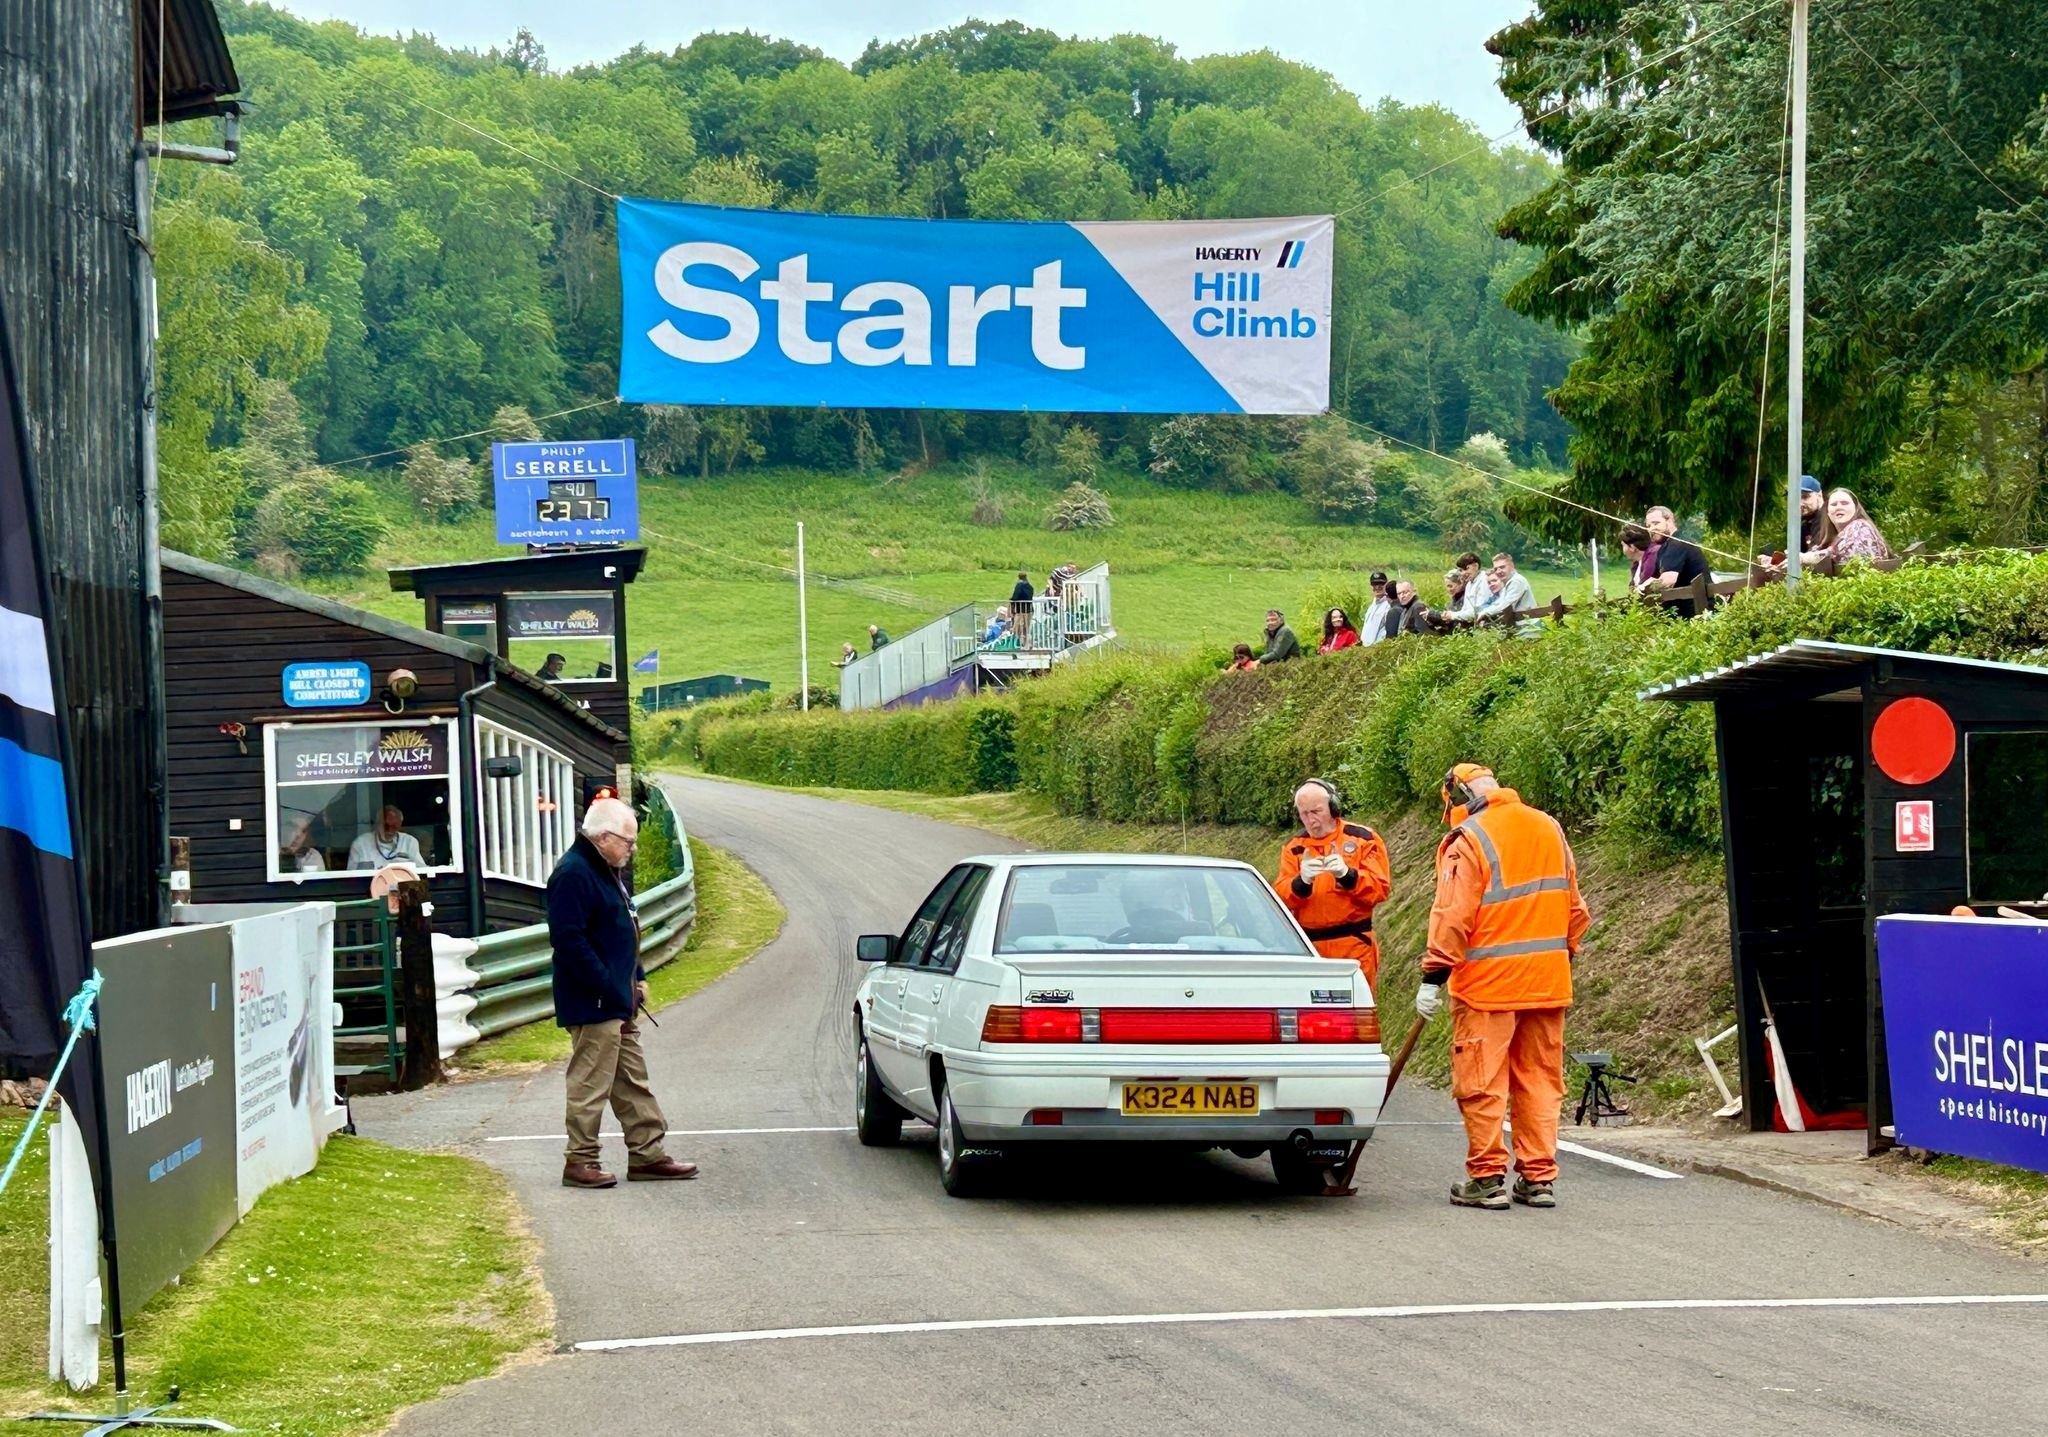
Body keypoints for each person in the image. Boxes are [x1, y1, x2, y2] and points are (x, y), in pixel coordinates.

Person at [1414, 763, 1592, 1211]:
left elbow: (1453, 915)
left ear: (1459, 799)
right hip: (1547, 984)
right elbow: (1575, 910)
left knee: (1482, 1082)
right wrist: (1558, 958)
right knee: (1540, 1083)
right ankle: (1538, 1178)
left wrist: (1433, 975)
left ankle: (1487, 1177)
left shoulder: (1469, 839)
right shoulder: (1549, 827)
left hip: (1487, 990)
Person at [549, 796, 697, 1189]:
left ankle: (648, 1155)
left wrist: (637, 977)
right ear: (603, 837)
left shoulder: (605, 870)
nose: (632, 850)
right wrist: (609, 985)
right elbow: (569, 941)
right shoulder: (574, 873)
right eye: (628, 842)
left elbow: (623, 931)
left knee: (632, 1080)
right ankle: (580, 1161)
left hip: (618, 999)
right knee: (590, 1083)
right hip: (594, 1001)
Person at [1275, 780, 1392, 990]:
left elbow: (1379, 889)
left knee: (1357, 1010)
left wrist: (1348, 876)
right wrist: (1300, 883)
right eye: (1304, 814)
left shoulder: (1363, 839)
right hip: (1310, 950)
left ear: (1333, 807)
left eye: (1316, 811)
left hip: (1353, 945)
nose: (1311, 820)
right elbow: (1280, 900)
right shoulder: (1294, 848)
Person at [1805, 487, 1891, 568]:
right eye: (1834, 504)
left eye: (1845, 503)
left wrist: (1803, 558)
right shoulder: (1829, 539)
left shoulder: (1861, 527)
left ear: (1856, 509)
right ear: (1828, 512)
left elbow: (1833, 553)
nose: (1839, 507)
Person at [1647, 506, 1708, 617]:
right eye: (1648, 526)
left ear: (1669, 521)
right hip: (1679, 615)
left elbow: (1668, 581)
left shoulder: (1678, 542)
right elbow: (1655, 578)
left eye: (1656, 523)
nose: (1651, 529)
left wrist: (1644, 589)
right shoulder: (1663, 549)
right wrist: (1642, 586)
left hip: (1696, 614)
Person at [347, 805, 425, 872]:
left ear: (400, 825)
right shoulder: (360, 844)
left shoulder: (409, 842)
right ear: (377, 824)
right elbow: (351, 876)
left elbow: (422, 870)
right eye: (386, 826)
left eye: (394, 826)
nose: (390, 830)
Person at [1474, 553, 1534, 620]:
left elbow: (1505, 605)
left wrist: (1485, 612)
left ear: (1512, 566)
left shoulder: (1516, 581)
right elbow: (1499, 604)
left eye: (1502, 567)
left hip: (1527, 623)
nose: (1498, 571)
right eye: (1496, 569)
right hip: (1519, 622)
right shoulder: (1507, 581)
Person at [1620, 524, 1660, 592]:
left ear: (1632, 547)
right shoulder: (1638, 563)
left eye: (1623, 545)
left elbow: (1645, 587)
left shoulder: (1653, 556)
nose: (1623, 550)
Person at [1358, 571, 1392, 647]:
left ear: (1386, 585)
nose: (1377, 587)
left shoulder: (1389, 605)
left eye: (1381, 584)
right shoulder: (1371, 607)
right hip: (1365, 648)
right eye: (1374, 584)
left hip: (1378, 648)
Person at [1454, 553, 1488, 618]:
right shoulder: (1469, 584)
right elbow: (1464, 610)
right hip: (1468, 619)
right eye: (1461, 570)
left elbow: (1479, 611)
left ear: (1476, 566)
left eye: (1467, 568)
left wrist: (1453, 615)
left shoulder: (1484, 580)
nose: (1463, 573)